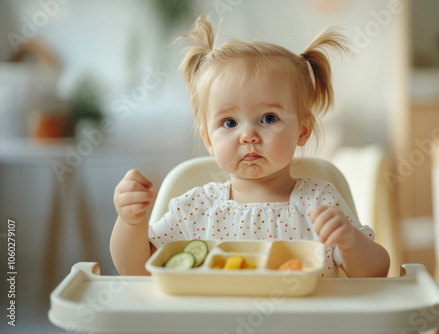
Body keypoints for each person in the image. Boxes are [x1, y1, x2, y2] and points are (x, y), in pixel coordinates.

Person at [110, 15, 390, 278]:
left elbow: (375, 273)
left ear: (302, 129)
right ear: (208, 139)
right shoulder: (195, 209)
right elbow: (135, 270)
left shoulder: (319, 201)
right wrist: (130, 222)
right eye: (229, 123)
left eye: (268, 118)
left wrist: (351, 242)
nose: (248, 136)